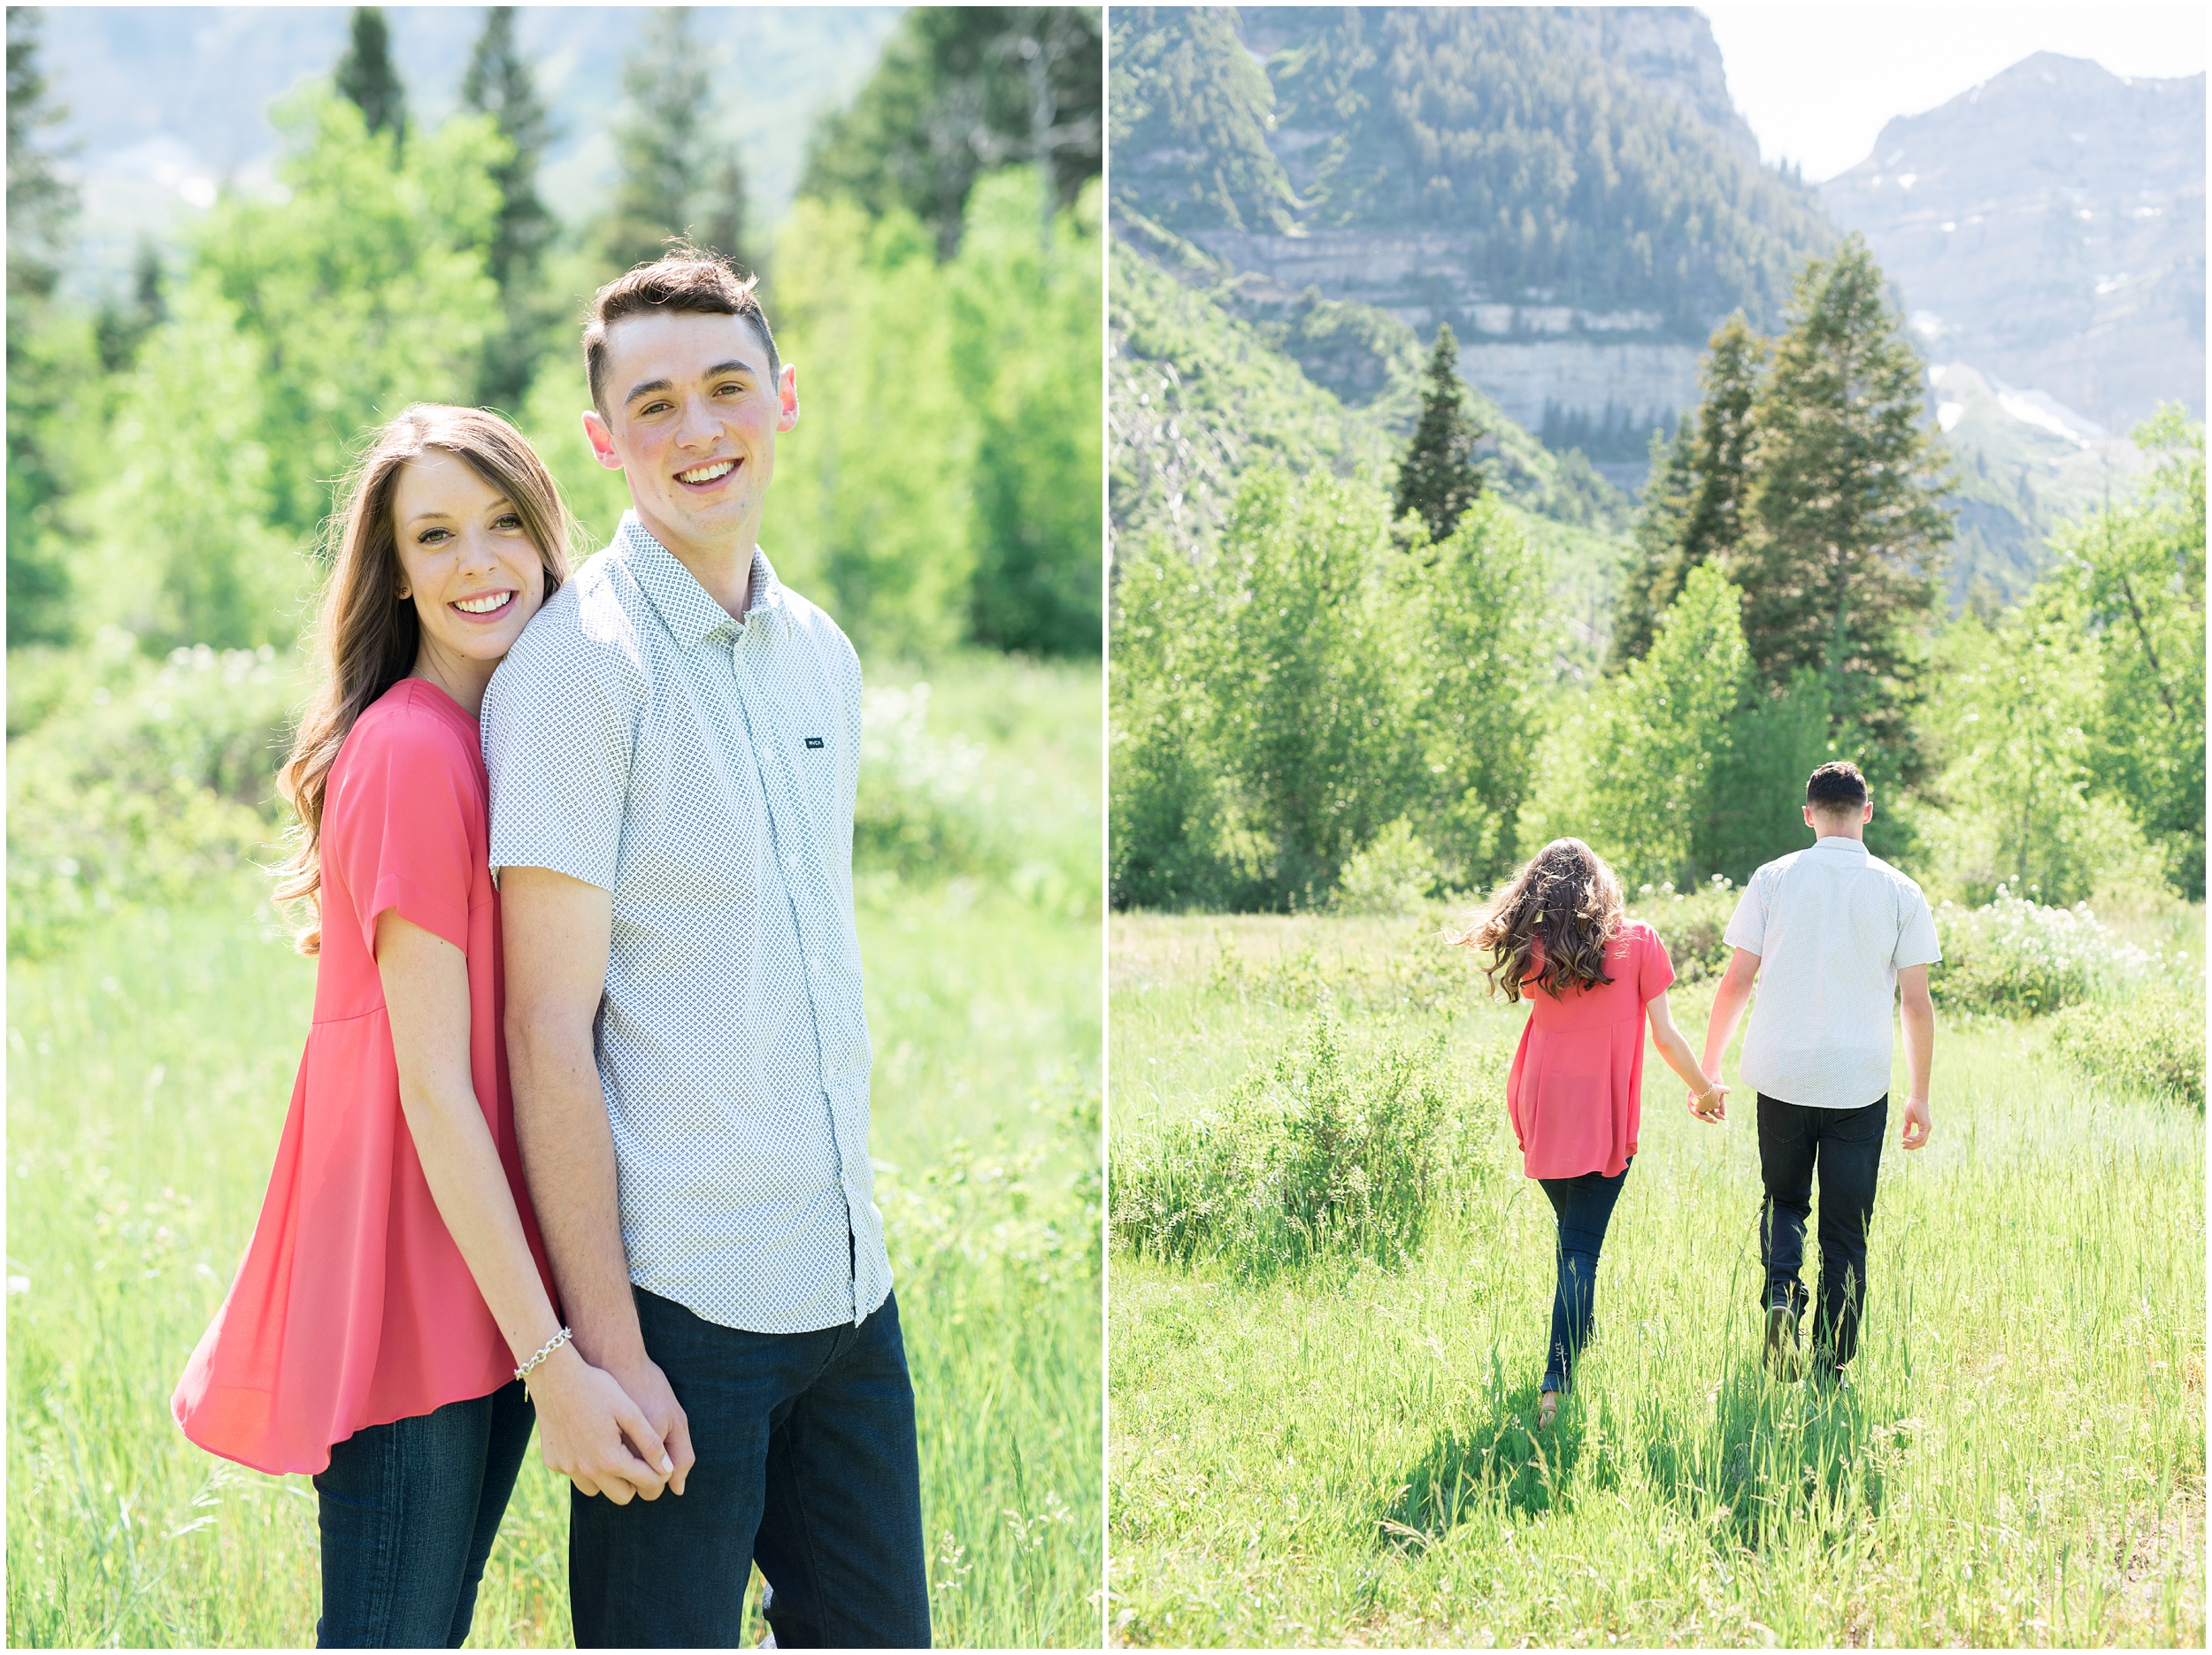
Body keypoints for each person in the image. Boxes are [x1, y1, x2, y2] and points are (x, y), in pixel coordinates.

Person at [482, 248, 930, 1649]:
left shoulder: (822, 655)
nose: (701, 430)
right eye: (657, 403)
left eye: (728, 386)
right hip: (679, 1307)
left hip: (849, 1288)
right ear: (604, 438)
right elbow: (542, 1034)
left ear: (783, 398)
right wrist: (604, 1348)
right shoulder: (578, 671)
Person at [173, 406, 678, 1649]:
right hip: (412, 1279)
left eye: (506, 523)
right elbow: (434, 1089)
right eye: (436, 535)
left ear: (548, 533)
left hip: (484, 1268)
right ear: (395, 570)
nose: (479, 562)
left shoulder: (501, 734)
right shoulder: (410, 749)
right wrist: (552, 1355)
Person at [1455, 838, 1728, 1429]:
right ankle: (1555, 1385)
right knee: (1580, 1251)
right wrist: (1705, 1088)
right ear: (1600, 884)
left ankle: (1579, 1335)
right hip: (1600, 1111)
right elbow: (1666, 1036)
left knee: (1572, 1240)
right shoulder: (1640, 941)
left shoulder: (1537, 947)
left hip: (1542, 1102)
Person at [1696, 760, 1939, 1386]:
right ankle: (1832, 1364)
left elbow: (1737, 980)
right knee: (1846, 1226)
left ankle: (1781, 1295)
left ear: (1808, 814)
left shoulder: (1773, 879)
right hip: (1858, 1082)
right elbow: (1915, 1001)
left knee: (1784, 1200)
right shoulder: (1900, 889)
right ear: (1868, 809)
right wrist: (1921, 1094)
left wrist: (1710, 1067)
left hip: (1781, 1073)